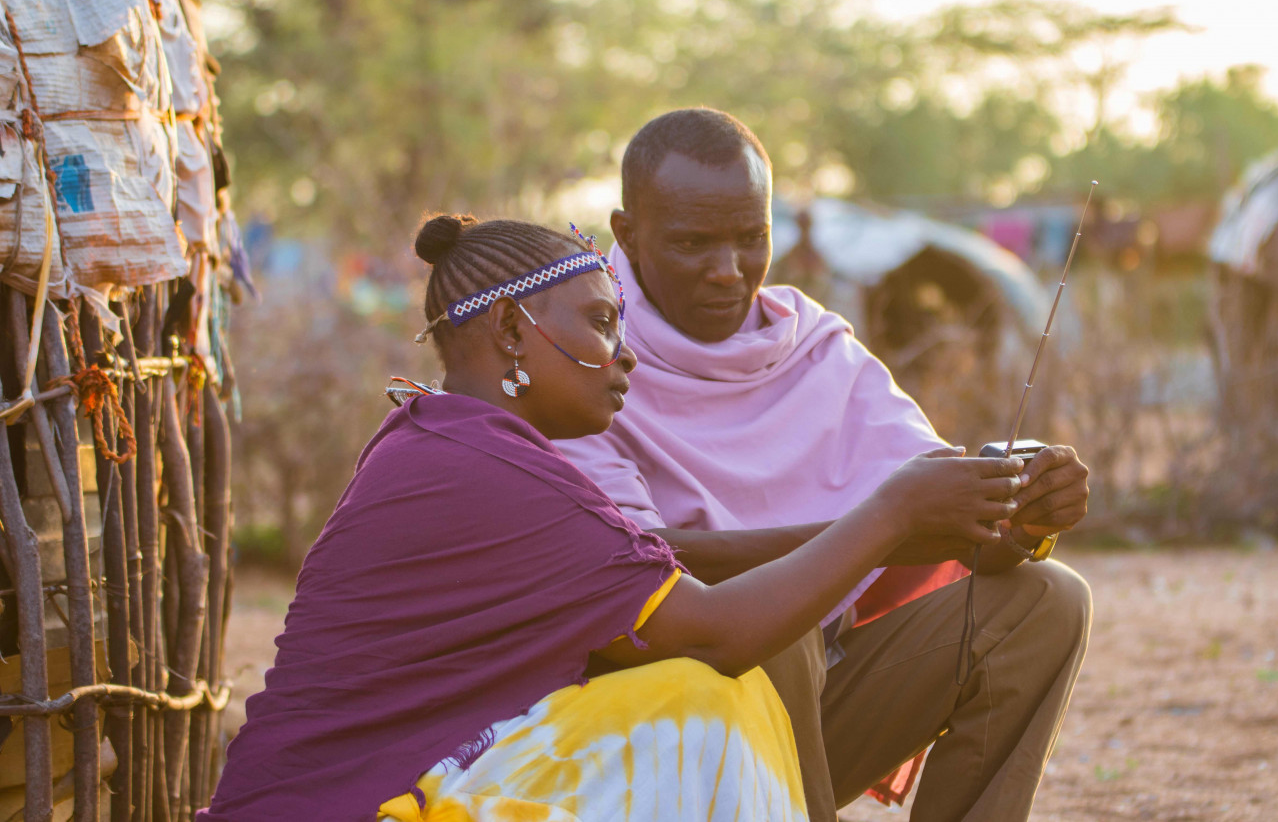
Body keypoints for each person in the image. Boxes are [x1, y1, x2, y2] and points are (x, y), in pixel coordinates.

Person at [199, 214, 1027, 821]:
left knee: (691, 690)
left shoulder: (455, 441)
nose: (625, 352)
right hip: (355, 806)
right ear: (512, 330)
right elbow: (715, 630)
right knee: (703, 700)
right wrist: (892, 510)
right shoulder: (483, 467)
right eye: (600, 322)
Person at [555, 108, 1093, 822]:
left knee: (1046, 600)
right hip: (652, 736)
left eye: (752, 238)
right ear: (627, 233)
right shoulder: (581, 352)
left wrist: (1022, 511)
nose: (728, 270)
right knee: (774, 616)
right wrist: (882, 523)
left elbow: (950, 523)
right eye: (693, 243)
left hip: (814, 706)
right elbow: (623, 566)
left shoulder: (813, 346)